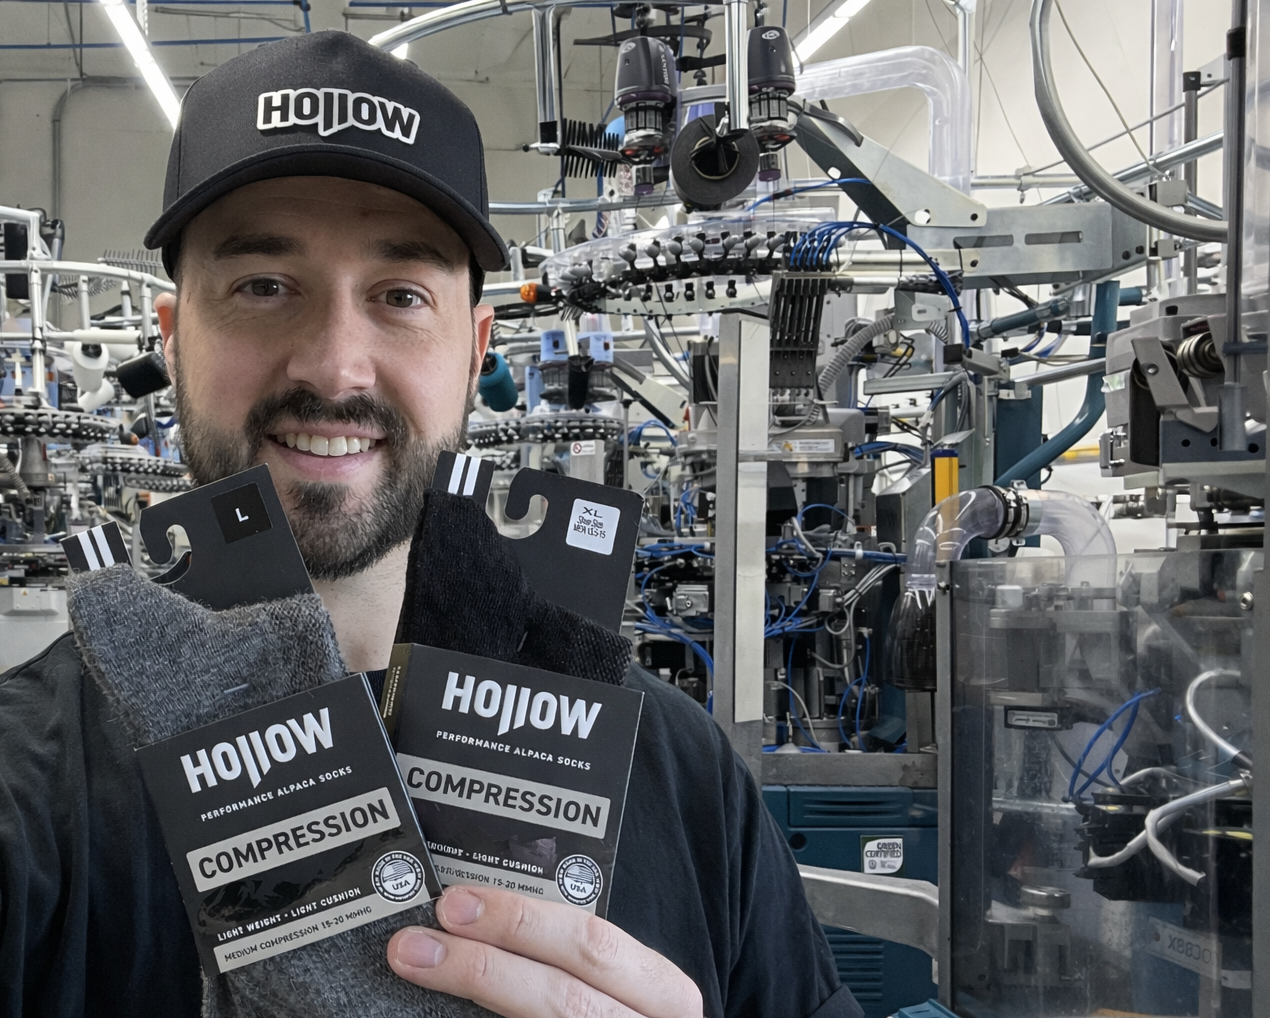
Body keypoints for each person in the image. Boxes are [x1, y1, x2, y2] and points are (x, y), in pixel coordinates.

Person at [0, 30, 860, 1018]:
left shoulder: (684, 775)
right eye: (262, 286)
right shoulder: (30, 795)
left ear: (472, 352)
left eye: (400, 295)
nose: (333, 365)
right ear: (173, 339)